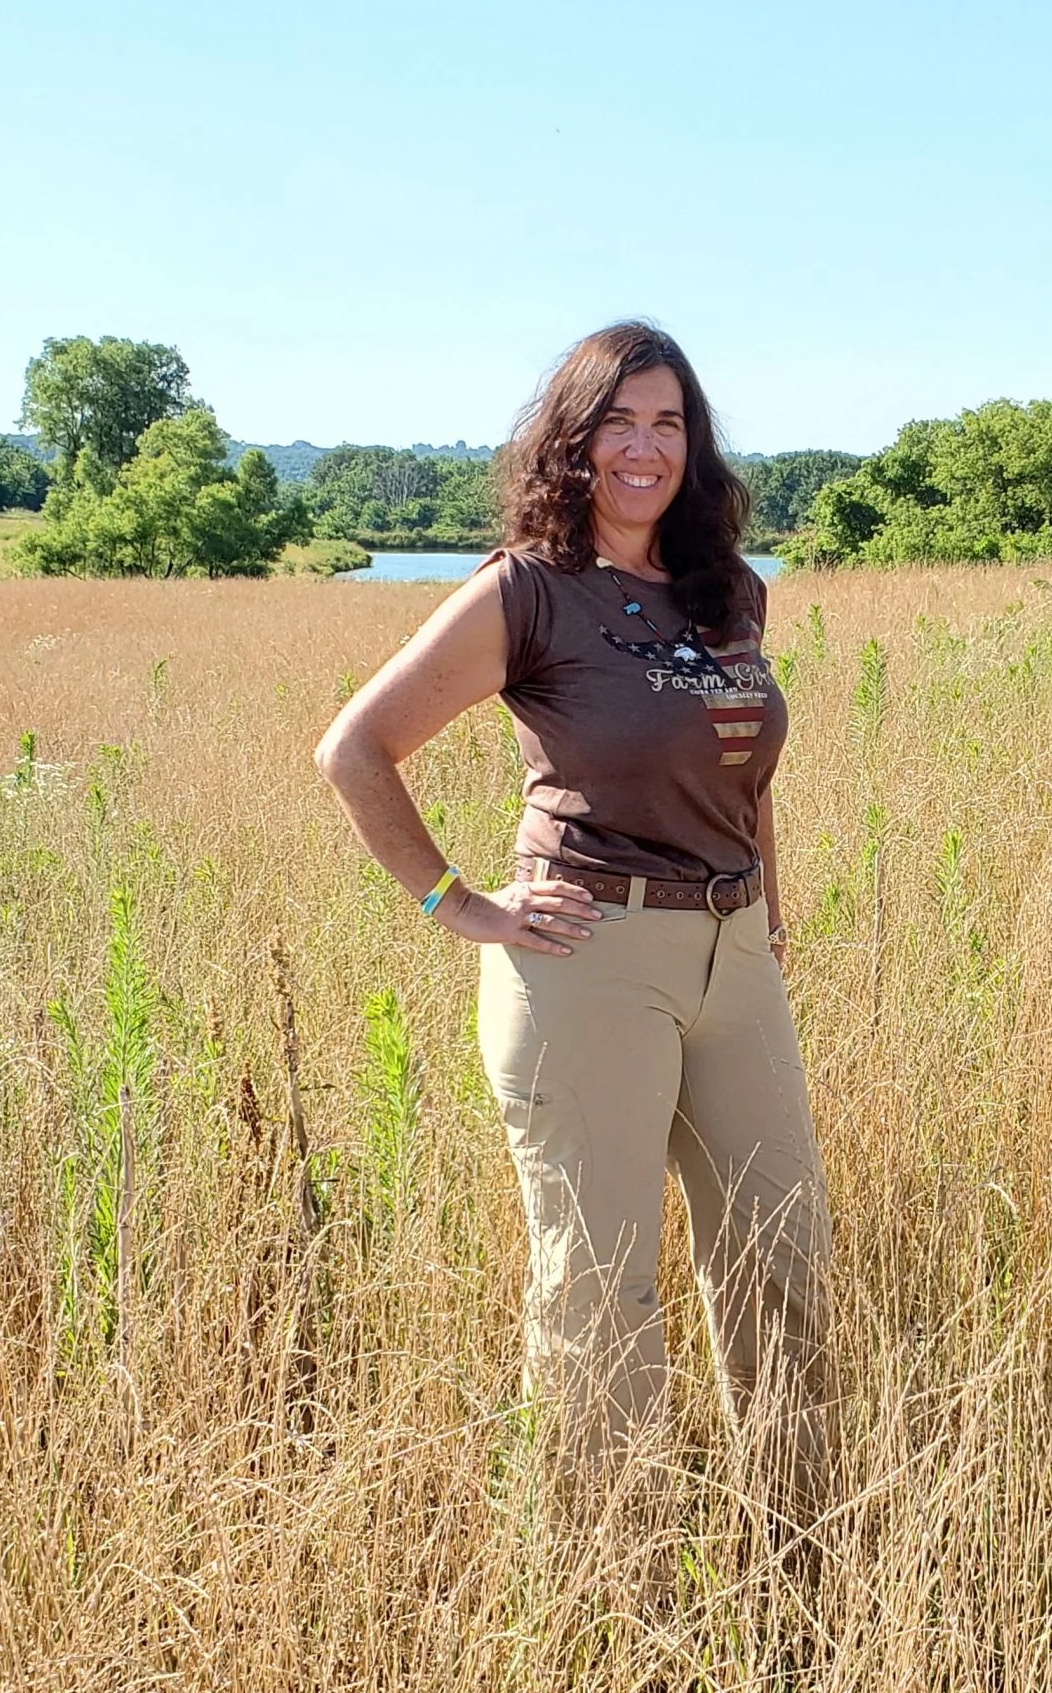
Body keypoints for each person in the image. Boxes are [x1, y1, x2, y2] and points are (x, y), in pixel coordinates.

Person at [312, 321, 834, 1531]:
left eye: (669, 422)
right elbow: (355, 750)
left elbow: (748, 780)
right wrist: (462, 907)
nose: (645, 447)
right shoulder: (528, 591)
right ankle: (609, 1581)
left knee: (782, 1258)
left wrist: (768, 926)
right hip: (587, 961)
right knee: (601, 1295)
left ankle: (798, 1548)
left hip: (734, 955)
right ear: (575, 439)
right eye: (620, 421)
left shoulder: (728, 590)